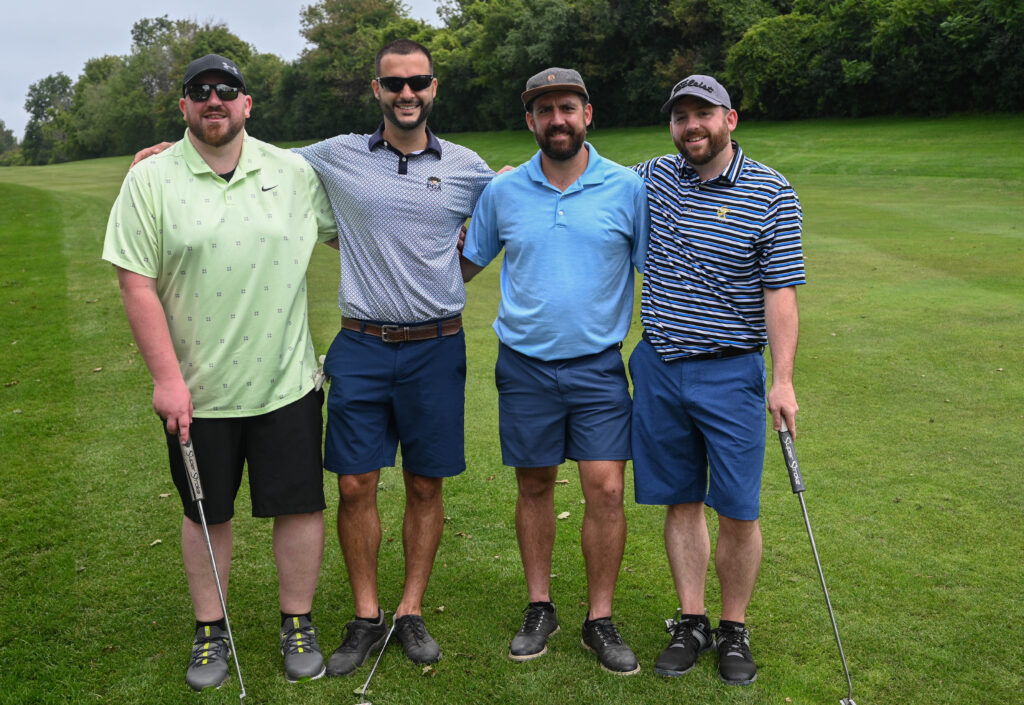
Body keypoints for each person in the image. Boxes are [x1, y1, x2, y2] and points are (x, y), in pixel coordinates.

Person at [102, 54, 338, 691]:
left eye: (226, 90)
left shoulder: (292, 172)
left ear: (247, 103)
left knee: (298, 504)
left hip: (286, 381)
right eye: (199, 92)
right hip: (196, 390)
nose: (214, 100)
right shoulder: (151, 179)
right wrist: (166, 378)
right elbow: (135, 281)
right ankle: (212, 629)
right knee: (207, 511)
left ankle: (298, 622)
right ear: (182, 106)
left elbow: (363, 229)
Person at [292, 39, 495, 676]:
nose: (407, 94)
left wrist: (451, 274)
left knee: (424, 483)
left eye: (419, 83)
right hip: (360, 344)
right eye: (394, 84)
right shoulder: (335, 154)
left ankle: (410, 610)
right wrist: (171, 152)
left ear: (434, 88)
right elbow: (255, 161)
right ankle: (366, 614)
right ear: (375, 89)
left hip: (437, 346)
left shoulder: (467, 167)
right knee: (355, 483)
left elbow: (511, 214)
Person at [461, 68, 649, 675]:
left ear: (587, 114)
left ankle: (600, 618)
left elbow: (661, 272)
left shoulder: (627, 188)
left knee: (607, 488)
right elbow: (462, 265)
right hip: (525, 366)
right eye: (544, 110)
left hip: (598, 367)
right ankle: (540, 606)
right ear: (530, 121)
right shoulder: (504, 192)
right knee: (535, 485)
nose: (557, 119)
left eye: (567, 107)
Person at [629, 74, 805, 686]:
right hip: (659, 367)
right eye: (680, 117)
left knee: (737, 507)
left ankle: (734, 627)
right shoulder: (651, 176)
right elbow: (581, 180)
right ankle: (692, 619)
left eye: (703, 114)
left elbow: (780, 293)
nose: (691, 126)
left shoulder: (772, 191)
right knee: (680, 499)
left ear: (731, 118)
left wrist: (782, 381)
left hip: (731, 372)